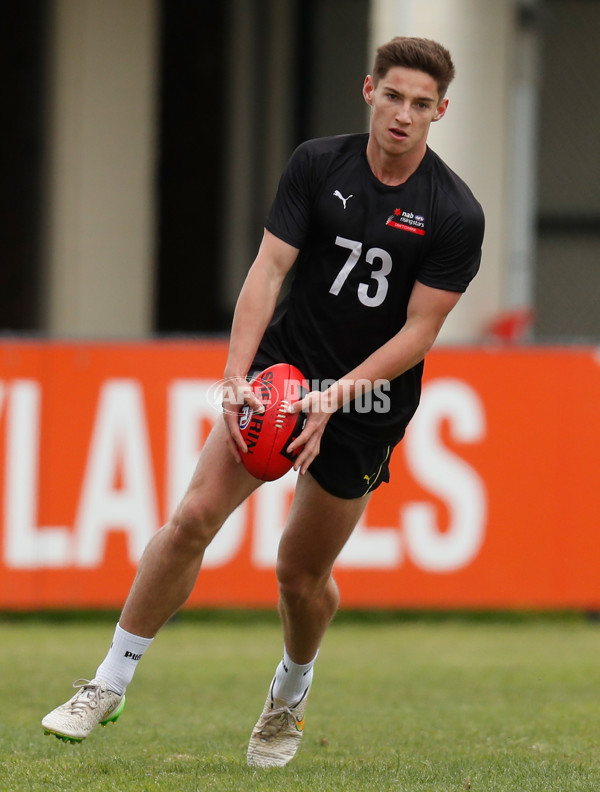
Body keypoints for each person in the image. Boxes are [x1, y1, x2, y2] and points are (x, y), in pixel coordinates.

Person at [42, 36, 484, 767]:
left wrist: (334, 401)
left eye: (421, 103)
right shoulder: (318, 163)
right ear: (368, 89)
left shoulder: (455, 212)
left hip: (367, 401)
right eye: (394, 95)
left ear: (442, 111)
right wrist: (237, 376)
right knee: (189, 519)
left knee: (298, 575)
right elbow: (269, 268)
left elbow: (420, 332)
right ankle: (107, 681)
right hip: (286, 371)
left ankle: (288, 695)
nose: (404, 114)